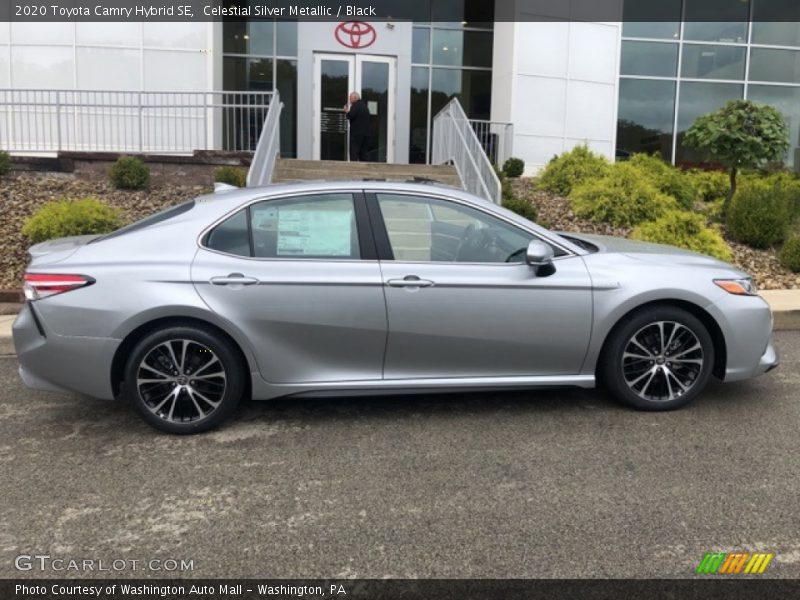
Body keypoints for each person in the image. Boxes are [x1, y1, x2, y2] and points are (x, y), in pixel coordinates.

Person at [344, 92, 370, 162]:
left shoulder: (356, 105)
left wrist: (346, 111)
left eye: (350, 98)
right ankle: (364, 167)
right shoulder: (365, 106)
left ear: (355, 98)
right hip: (366, 134)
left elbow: (350, 116)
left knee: (354, 152)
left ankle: (354, 167)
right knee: (363, 153)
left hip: (356, 134)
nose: (349, 100)